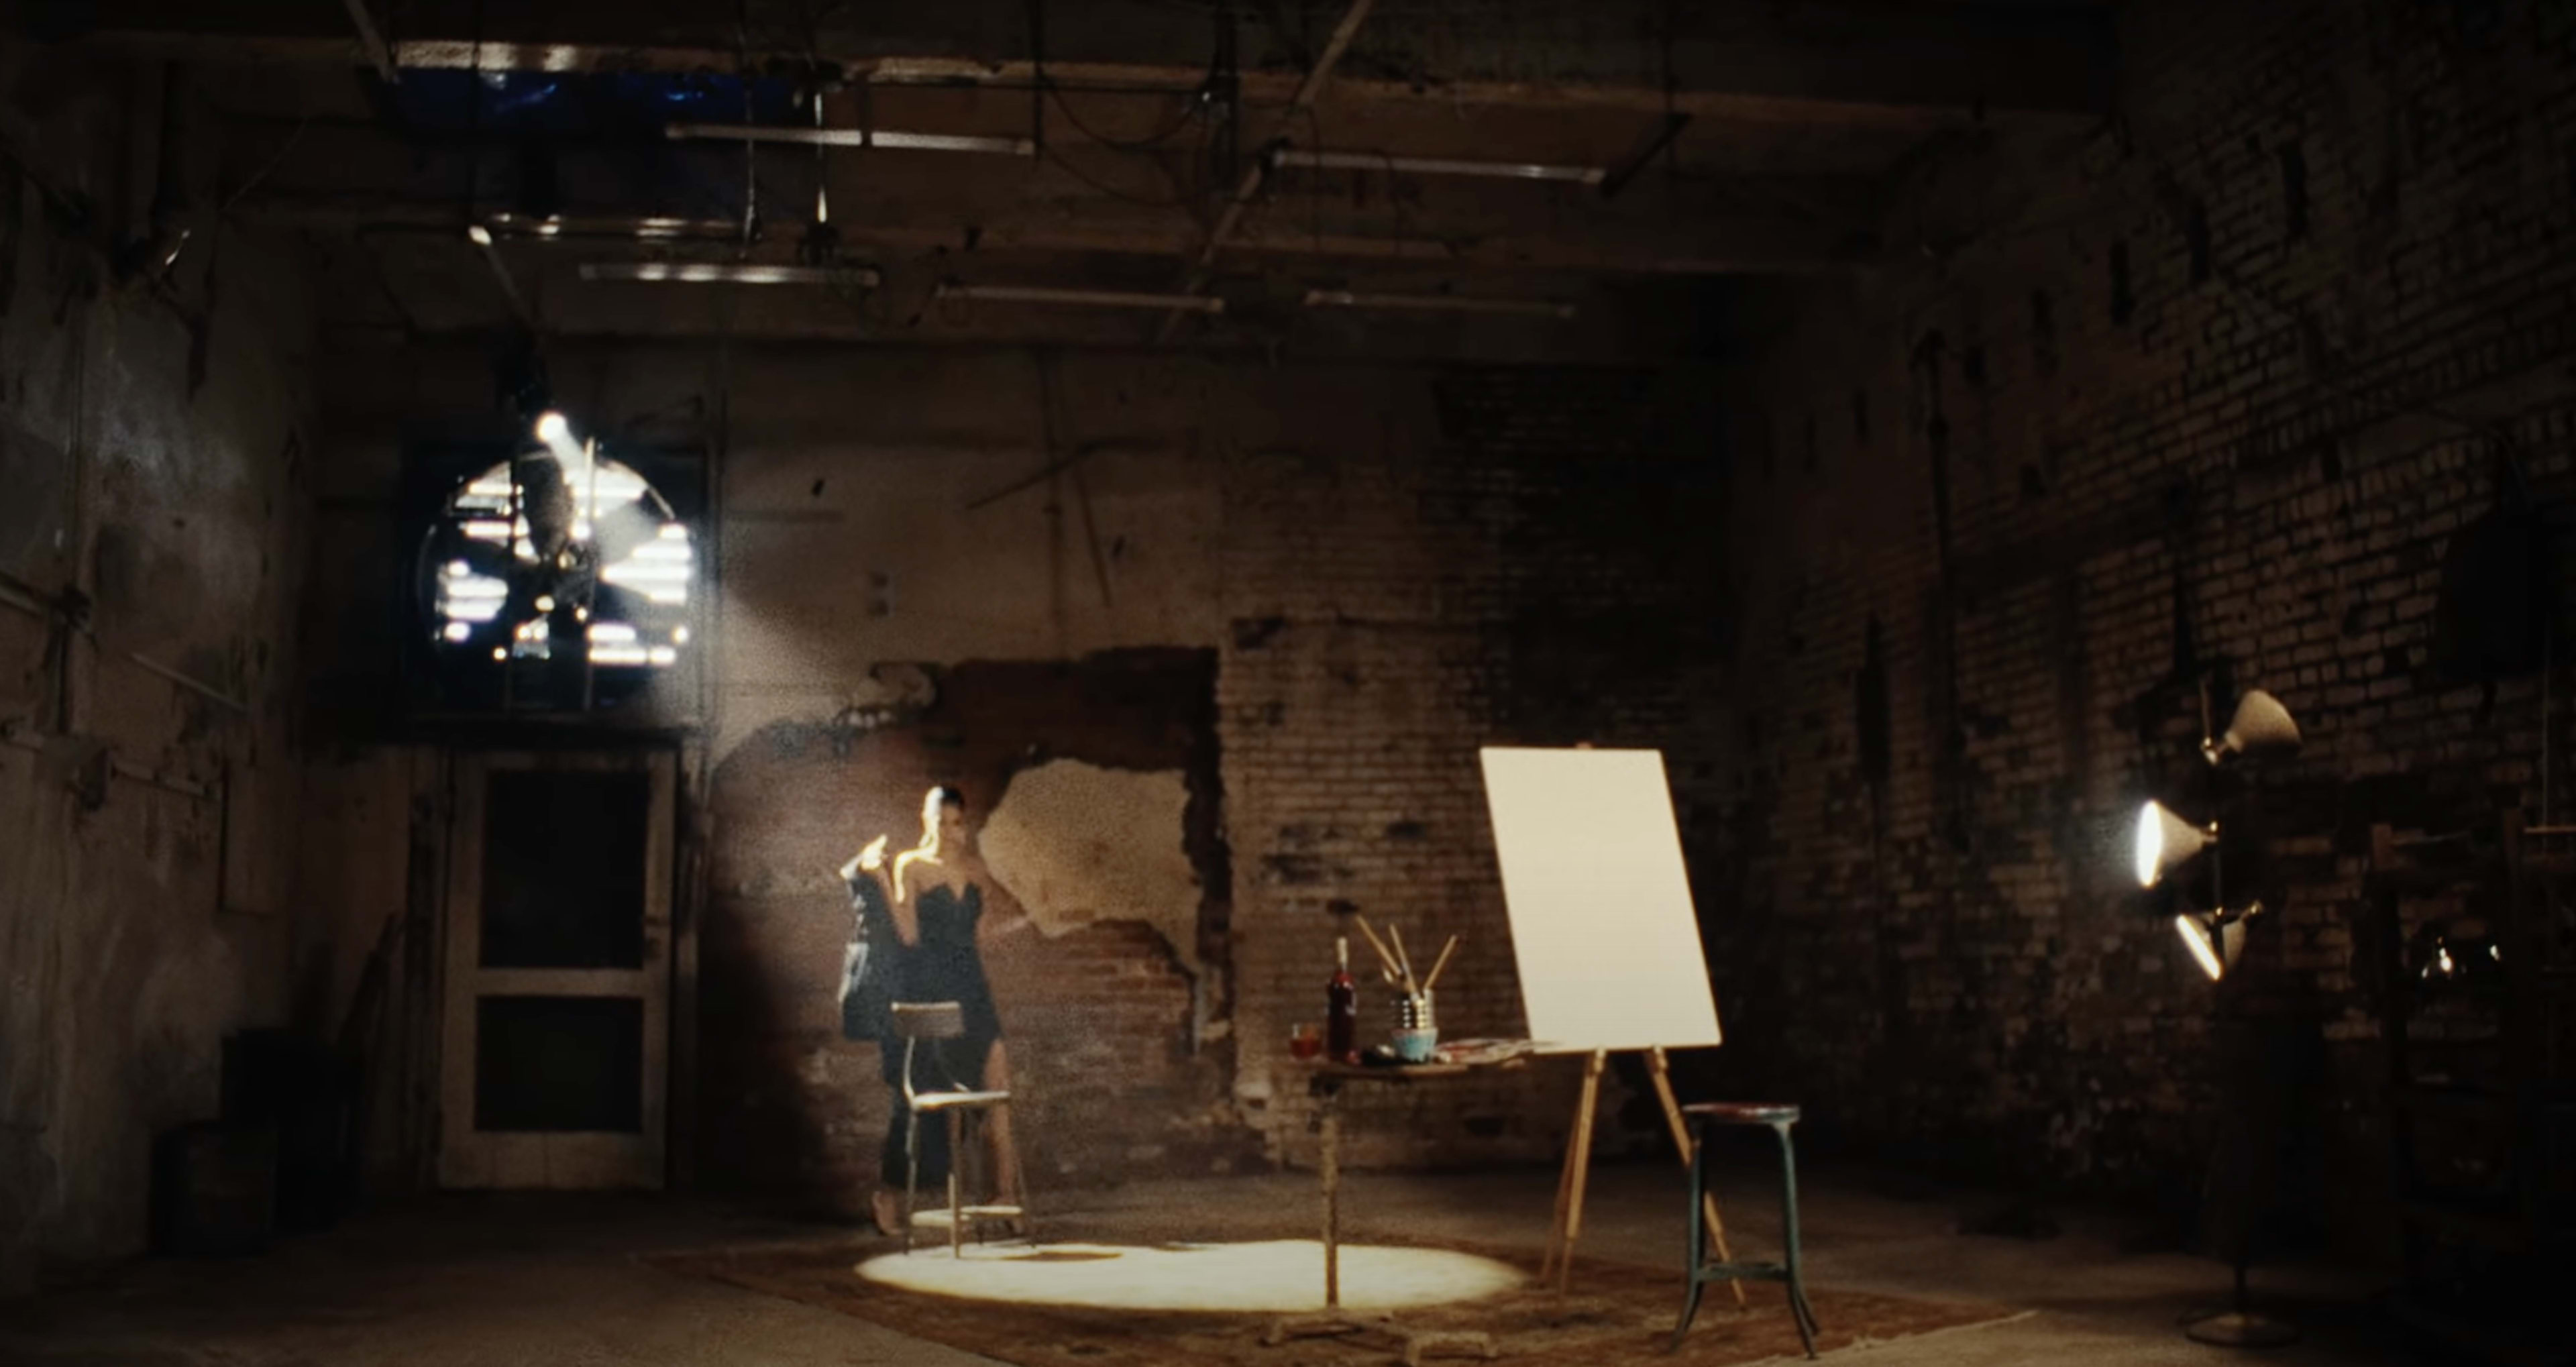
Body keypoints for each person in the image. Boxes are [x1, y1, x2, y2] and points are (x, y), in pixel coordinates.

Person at [869, 785, 1032, 1235]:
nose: (947, 831)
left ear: (965, 824)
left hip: (974, 991)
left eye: (956, 823)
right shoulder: (912, 865)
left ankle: (1005, 1197)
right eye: (938, 822)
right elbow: (908, 934)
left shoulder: (977, 870)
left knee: (998, 1091)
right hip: (929, 991)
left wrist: (1020, 925)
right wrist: (881, 876)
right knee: (918, 1099)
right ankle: (889, 1193)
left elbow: (977, 938)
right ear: (926, 820)